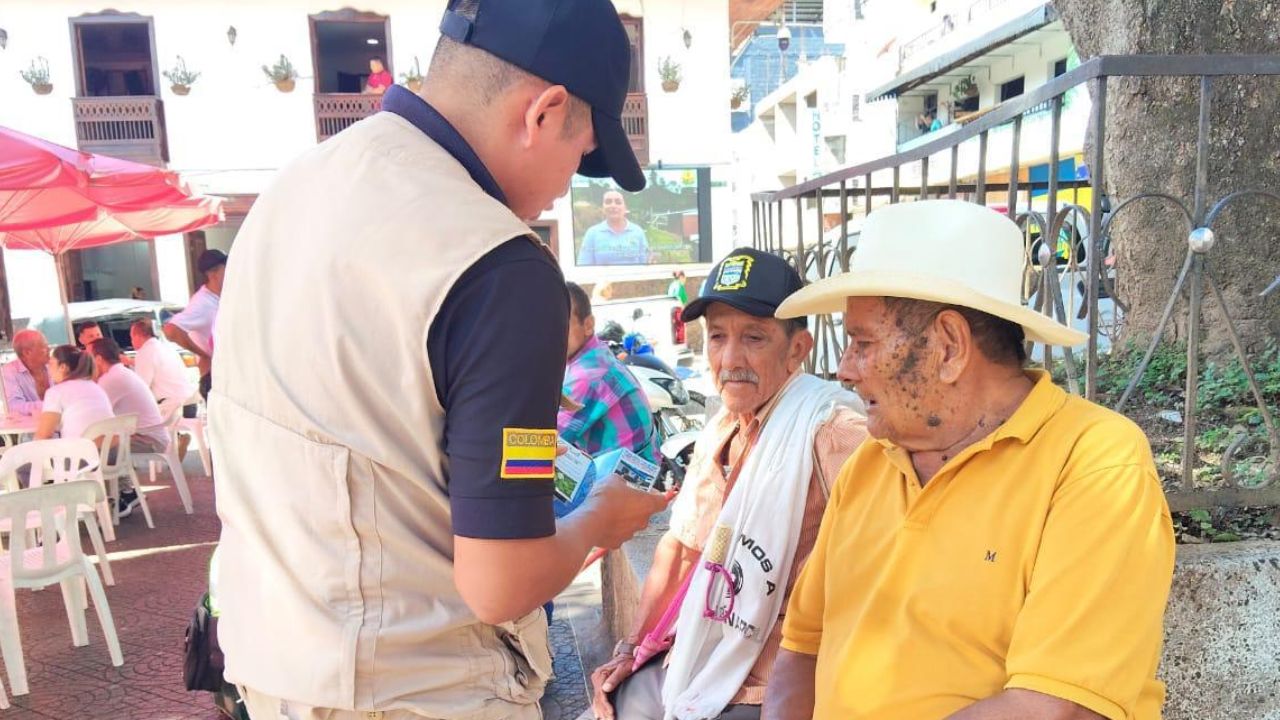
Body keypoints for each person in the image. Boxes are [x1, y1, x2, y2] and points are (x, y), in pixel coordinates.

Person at [208, 1, 667, 719]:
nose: (565, 185)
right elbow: (502, 582)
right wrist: (602, 522)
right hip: (418, 689)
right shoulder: (498, 267)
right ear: (543, 113)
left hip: (274, 669)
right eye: (582, 157)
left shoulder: (293, 190)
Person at [763, 200, 1175, 720]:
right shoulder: (872, 464)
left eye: (862, 343)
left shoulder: (1094, 463)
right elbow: (804, 644)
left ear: (950, 346)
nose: (845, 370)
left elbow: (1055, 708)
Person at [592, 248, 868, 720]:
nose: (730, 357)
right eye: (717, 337)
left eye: (754, 338)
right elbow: (680, 549)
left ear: (798, 349)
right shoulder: (722, 427)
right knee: (618, 700)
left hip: (783, 681)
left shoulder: (835, 434)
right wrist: (630, 648)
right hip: (707, 652)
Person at [560, 281, 656, 462]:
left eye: (561, 322)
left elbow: (543, 444)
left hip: (626, 485)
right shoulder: (593, 357)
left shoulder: (589, 374)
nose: (551, 333)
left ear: (588, 325)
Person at [88, 337, 168, 515]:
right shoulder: (119, 373)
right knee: (107, 442)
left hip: (147, 439)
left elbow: (92, 412)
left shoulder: (111, 380)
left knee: (97, 448)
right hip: (149, 435)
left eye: (89, 358)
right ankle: (126, 492)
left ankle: (114, 501)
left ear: (99, 359)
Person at [34, 344, 115, 480]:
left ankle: (58, 499)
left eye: (51, 364)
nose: (49, 368)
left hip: (81, 461)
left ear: (63, 367)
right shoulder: (96, 387)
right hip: (113, 455)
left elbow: (43, 436)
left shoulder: (56, 392)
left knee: (25, 465)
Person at [165, 249, 225, 400]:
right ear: (213, 273)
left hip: (226, 374)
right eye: (226, 268)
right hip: (215, 377)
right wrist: (204, 354)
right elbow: (171, 330)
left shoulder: (221, 297)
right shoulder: (202, 303)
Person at [131, 319, 198, 420]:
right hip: (190, 403)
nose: (131, 341)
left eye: (131, 337)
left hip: (170, 408)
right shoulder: (167, 347)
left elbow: (142, 389)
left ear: (137, 336)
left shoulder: (144, 352)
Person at [578, 190, 650, 265]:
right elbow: (583, 264)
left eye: (618, 202)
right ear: (603, 208)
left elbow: (645, 263)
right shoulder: (592, 233)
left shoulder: (638, 231)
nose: (613, 205)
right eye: (608, 202)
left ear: (625, 208)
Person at [2, 329, 50, 416]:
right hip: (31, 428)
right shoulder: (9, 372)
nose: (49, 349)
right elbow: (14, 406)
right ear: (27, 352)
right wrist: (53, 405)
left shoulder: (54, 366)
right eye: (44, 346)